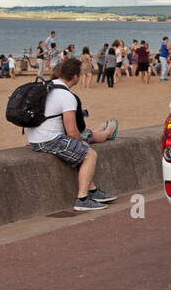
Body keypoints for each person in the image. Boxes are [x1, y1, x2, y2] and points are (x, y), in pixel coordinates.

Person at [27, 58, 116, 211]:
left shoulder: (47, 87)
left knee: (81, 150)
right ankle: (82, 199)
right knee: (89, 154)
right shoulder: (67, 96)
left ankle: (93, 191)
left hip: (34, 139)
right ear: (75, 76)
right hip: (49, 140)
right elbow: (71, 131)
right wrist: (80, 144)